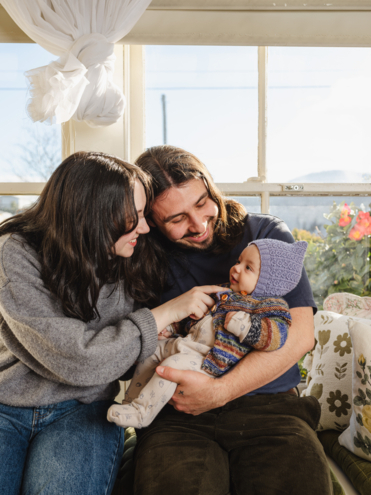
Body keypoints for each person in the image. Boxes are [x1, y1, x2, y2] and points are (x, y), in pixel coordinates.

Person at [0, 151, 225, 495]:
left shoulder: (132, 257)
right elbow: (78, 359)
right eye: (134, 217)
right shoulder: (13, 252)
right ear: (91, 217)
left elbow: (118, 365)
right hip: (6, 404)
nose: (145, 227)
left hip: (85, 409)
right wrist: (163, 314)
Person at [129, 145, 333, 495]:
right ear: (151, 222)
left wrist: (219, 392)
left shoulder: (266, 237)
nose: (199, 224)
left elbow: (300, 337)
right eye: (176, 219)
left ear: (210, 186)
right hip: (177, 413)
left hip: (272, 408)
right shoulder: (139, 257)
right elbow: (125, 347)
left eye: (201, 202)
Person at [107, 238, 307, 429]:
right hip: (184, 342)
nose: (236, 268)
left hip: (208, 359)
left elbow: (276, 337)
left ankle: (143, 413)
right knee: (150, 352)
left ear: (267, 283)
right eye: (239, 261)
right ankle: (131, 401)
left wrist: (245, 326)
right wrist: (171, 329)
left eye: (248, 268)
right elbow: (194, 316)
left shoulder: (269, 307)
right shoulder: (223, 292)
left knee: (169, 368)